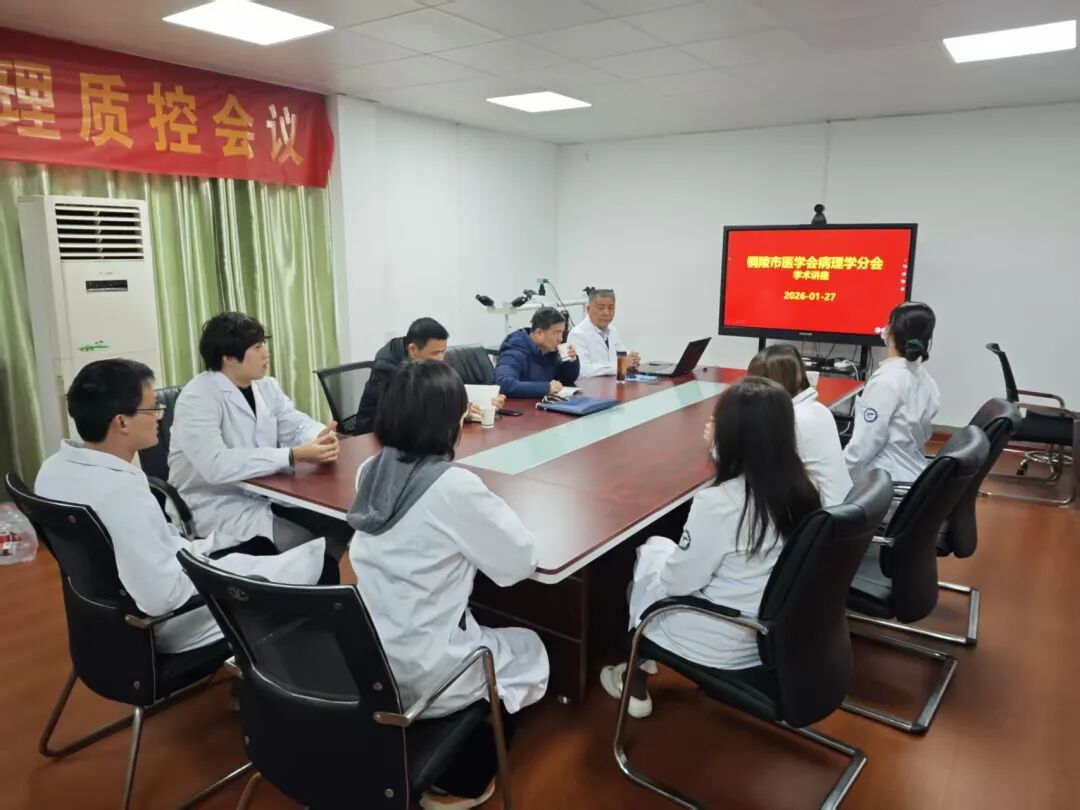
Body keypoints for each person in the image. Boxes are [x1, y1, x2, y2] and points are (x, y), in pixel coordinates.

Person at [347, 360, 548, 809]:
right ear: (451, 422)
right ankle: (467, 771)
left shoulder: (370, 470)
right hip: (428, 664)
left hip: (367, 656)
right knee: (531, 650)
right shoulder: (454, 487)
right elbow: (518, 564)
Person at [35, 360, 330, 655]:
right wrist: (221, 574)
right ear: (121, 422)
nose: (159, 417)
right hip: (170, 620)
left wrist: (208, 554)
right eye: (152, 409)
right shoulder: (121, 493)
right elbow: (161, 598)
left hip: (110, 621)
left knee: (265, 548)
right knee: (317, 571)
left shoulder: (53, 469)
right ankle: (288, 673)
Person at [600, 377, 821, 718]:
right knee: (660, 555)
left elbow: (676, 584)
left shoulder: (720, 503)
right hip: (770, 633)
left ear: (733, 434)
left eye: (718, 422)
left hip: (721, 640)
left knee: (651, 555)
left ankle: (635, 679)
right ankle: (636, 671)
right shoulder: (804, 486)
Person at [169, 312, 352, 555]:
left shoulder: (266, 386)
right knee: (302, 543)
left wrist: (321, 437)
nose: (266, 353)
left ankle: (333, 571)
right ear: (229, 358)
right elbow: (215, 465)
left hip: (264, 491)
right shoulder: (197, 398)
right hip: (214, 502)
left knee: (342, 526)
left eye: (263, 344)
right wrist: (291, 455)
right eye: (256, 347)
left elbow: (295, 423)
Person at [844, 302, 940, 484]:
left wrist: (836, 474)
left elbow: (863, 447)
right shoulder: (924, 377)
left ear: (890, 331)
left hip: (884, 480)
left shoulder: (886, 381)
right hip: (912, 472)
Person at [356, 317, 504, 435]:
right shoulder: (388, 368)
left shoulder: (422, 358)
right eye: (435, 353)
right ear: (412, 349)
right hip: (375, 436)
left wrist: (480, 403)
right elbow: (409, 411)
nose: (441, 358)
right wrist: (457, 411)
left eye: (443, 351)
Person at [745, 344, 852, 506]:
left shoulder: (792, 420)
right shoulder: (819, 409)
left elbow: (746, 463)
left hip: (822, 513)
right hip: (841, 505)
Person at [494, 307, 580, 398]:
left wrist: (570, 362)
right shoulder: (514, 351)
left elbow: (565, 381)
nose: (561, 339)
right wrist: (546, 388)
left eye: (562, 333)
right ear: (539, 333)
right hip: (518, 405)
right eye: (556, 333)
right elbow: (503, 384)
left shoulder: (550, 351)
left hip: (544, 403)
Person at [567, 288, 640, 378]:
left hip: (613, 383)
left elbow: (622, 354)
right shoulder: (577, 334)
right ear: (588, 309)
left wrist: (632, 359)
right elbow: (582, 370)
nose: (606, 313)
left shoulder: (613, 331)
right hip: (591, 386)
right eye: (601, 308)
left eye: (611, 308)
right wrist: (620, 365)